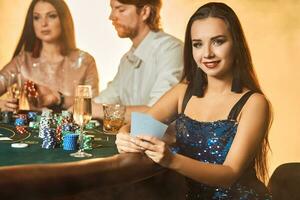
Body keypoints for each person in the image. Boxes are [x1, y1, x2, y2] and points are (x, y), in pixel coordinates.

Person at [116, 2, 272, 199]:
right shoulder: (183, 93)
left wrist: (171, 160)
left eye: (218, 41)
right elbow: (137, 126)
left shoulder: (253, 103)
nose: (207, 53)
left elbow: (230, 173)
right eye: (197, 44)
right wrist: (123, 136)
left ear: (236, 44)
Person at [0, 0, 99, 112]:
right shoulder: (22, 61)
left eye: (51, 16)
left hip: (70, 129)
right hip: (28, 128)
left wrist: (59, 99)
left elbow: (94, 107)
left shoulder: (85, 61)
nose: (43, 24)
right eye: (37, 17)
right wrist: (3, 104)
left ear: (63, 19)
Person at [92, 0, 183, 120]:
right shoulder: (126, 59)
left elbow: (159, 112)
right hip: (130, 137)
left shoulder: (171, 49)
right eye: (112, 9)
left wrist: (103, 111)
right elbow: (107, 97)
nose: (111, 17)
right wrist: (82, 106)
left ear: (145, 12)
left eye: (120, 9)